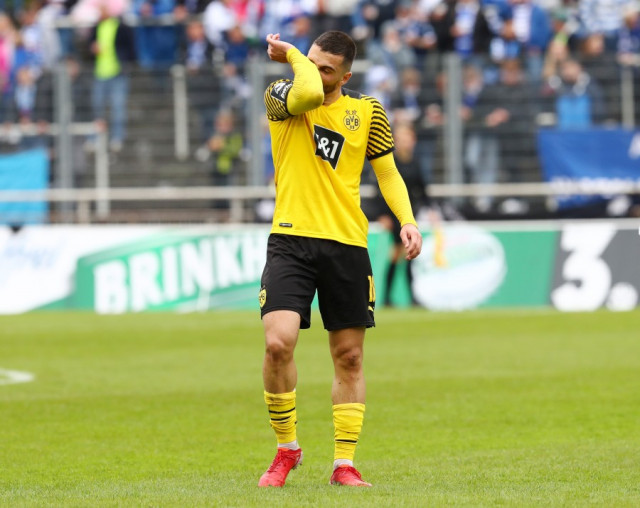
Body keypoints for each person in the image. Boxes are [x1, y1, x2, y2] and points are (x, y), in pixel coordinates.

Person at [257, 30, 422, 488]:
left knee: (349, 356)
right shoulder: (282, 94)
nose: (314, 72)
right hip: (290, 240)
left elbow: (387, 172)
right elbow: (309, 91)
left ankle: (343, 464)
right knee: (278, 343)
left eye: (326, 68)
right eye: (311, 62)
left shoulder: (368, 111)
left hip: (347, 244)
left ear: (346, 76)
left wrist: (407, 220)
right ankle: (287, 449)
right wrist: (295, 56)